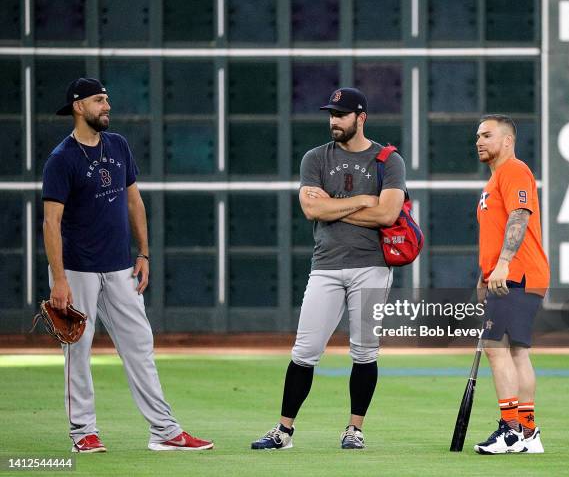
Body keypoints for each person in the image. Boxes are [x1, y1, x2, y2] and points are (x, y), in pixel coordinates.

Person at [42, 78, 213, 453]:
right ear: (78, 106)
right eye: (99, 100)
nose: (107, 106)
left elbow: (134, 202)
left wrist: (144, 252)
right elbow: (51, 222)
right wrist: (59, 279)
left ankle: (164, 431)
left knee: (140, 346)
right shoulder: (62, 159)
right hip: (78, 270)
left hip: (120, 268)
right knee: (78, 350)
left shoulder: (118, 145)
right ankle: (83, 433)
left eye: (107, 100)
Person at [251, 87, 406, 450]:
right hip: (326, 266)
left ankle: (355, 430)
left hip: (372, 266)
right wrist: (364, 201)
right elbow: (312, 211)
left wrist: (335, 204)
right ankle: (283, 431)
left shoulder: (388, 160)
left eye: (341, 114)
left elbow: (388, 214)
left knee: (365, 351)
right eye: (331, 114)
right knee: (304, 351)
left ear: (360, 117)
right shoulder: (315, 158)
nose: (334, 121)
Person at [473, 114, 549, 454]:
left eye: (487, 135)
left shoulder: (514, 170)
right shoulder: (495, 179)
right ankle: (528, 433)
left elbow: (520, 216)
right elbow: (496, 230)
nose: (479, 141)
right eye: (478, 136)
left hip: (517, 273)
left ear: (507, 141)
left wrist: (502, 264)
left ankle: (511, 429)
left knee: (496, 347)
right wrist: (485, 273)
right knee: (517, 351)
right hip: (511, 274)